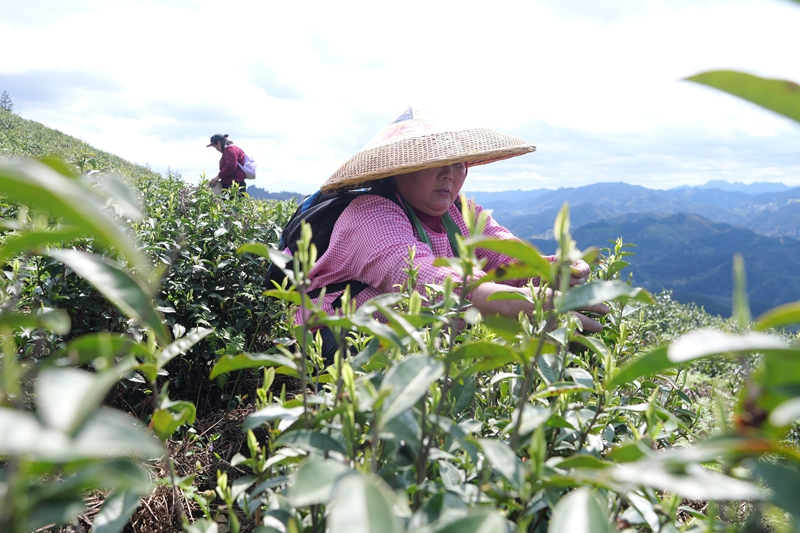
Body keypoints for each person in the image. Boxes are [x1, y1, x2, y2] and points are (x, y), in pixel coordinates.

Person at [296, 107, 609, 360]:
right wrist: (519, 301)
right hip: (340, 342)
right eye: (435, 163)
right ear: (402, 168)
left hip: (418, 341)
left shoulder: (459, 211)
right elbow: (421, 277)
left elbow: (504, 253)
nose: (449, 174)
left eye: (458, 163)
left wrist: (552, 270)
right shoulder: (370, 215)